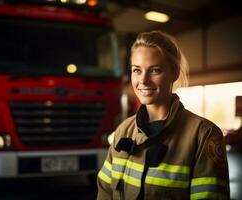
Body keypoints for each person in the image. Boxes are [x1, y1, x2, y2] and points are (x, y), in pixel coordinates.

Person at [97, 30, 230, 200]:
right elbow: (104, 192)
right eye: (137, 70)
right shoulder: (123, 131)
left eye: (155, 70)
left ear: (174, 73)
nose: (143, 80)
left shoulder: (203, 135)